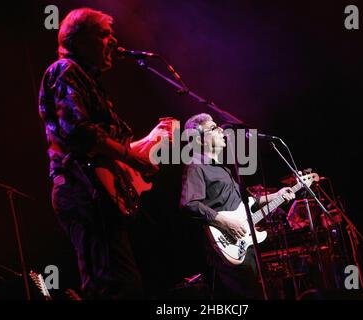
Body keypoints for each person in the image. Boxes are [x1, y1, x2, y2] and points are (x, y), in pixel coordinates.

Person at [38, 8, 171, 299]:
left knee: (121, 284)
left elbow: (104, 145)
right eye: (104, 34)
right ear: (79, 39)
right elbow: (79, 131)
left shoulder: (87, 80)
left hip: (94, 191)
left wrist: (148, 144)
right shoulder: (65, 71)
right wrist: (131, 157)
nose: (113, 41)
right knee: (112, 286)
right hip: (81, 190)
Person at [179, 113, 295, 299]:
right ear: (199, 140)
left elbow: (246, 204)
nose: (220, 130)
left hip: (242, 244)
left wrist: (277, 195)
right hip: (225, 247)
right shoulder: (196, 166)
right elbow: (189, 204)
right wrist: (223, 221)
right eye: (214, 127)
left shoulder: (223, 169)